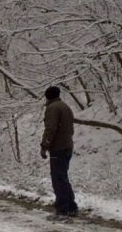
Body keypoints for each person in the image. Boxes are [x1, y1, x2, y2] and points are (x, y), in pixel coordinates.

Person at [40, 86, 78, 217]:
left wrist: (44, 146)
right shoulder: (65, 107)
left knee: (58, 178)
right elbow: (70, 128)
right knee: (63, 176)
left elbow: (50, 129)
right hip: (67, 145)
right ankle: (70, 204)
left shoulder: (52, 108)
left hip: (58, 148)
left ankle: (64, 207)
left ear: (47, 96)